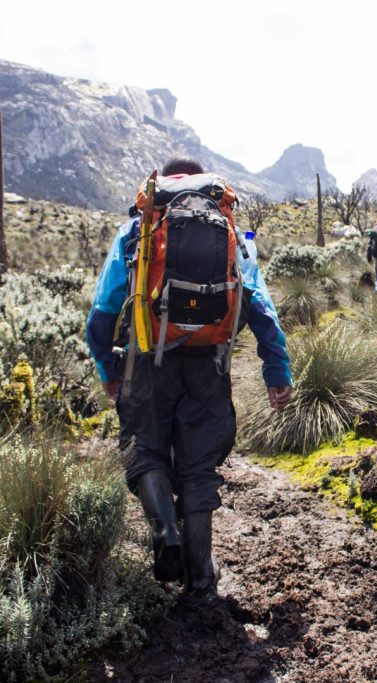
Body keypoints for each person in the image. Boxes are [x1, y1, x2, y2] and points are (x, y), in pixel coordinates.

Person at [85, 157, 292, 601]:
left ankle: (166, 535)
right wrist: (277, 371)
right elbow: (261, 308)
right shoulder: (230, 231)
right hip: (209, 364)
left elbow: (101, 314)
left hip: (144, 363)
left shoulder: (139, 229)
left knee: (145, 450)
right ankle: (201, 578)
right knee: (199, 468)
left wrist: (109, 370)